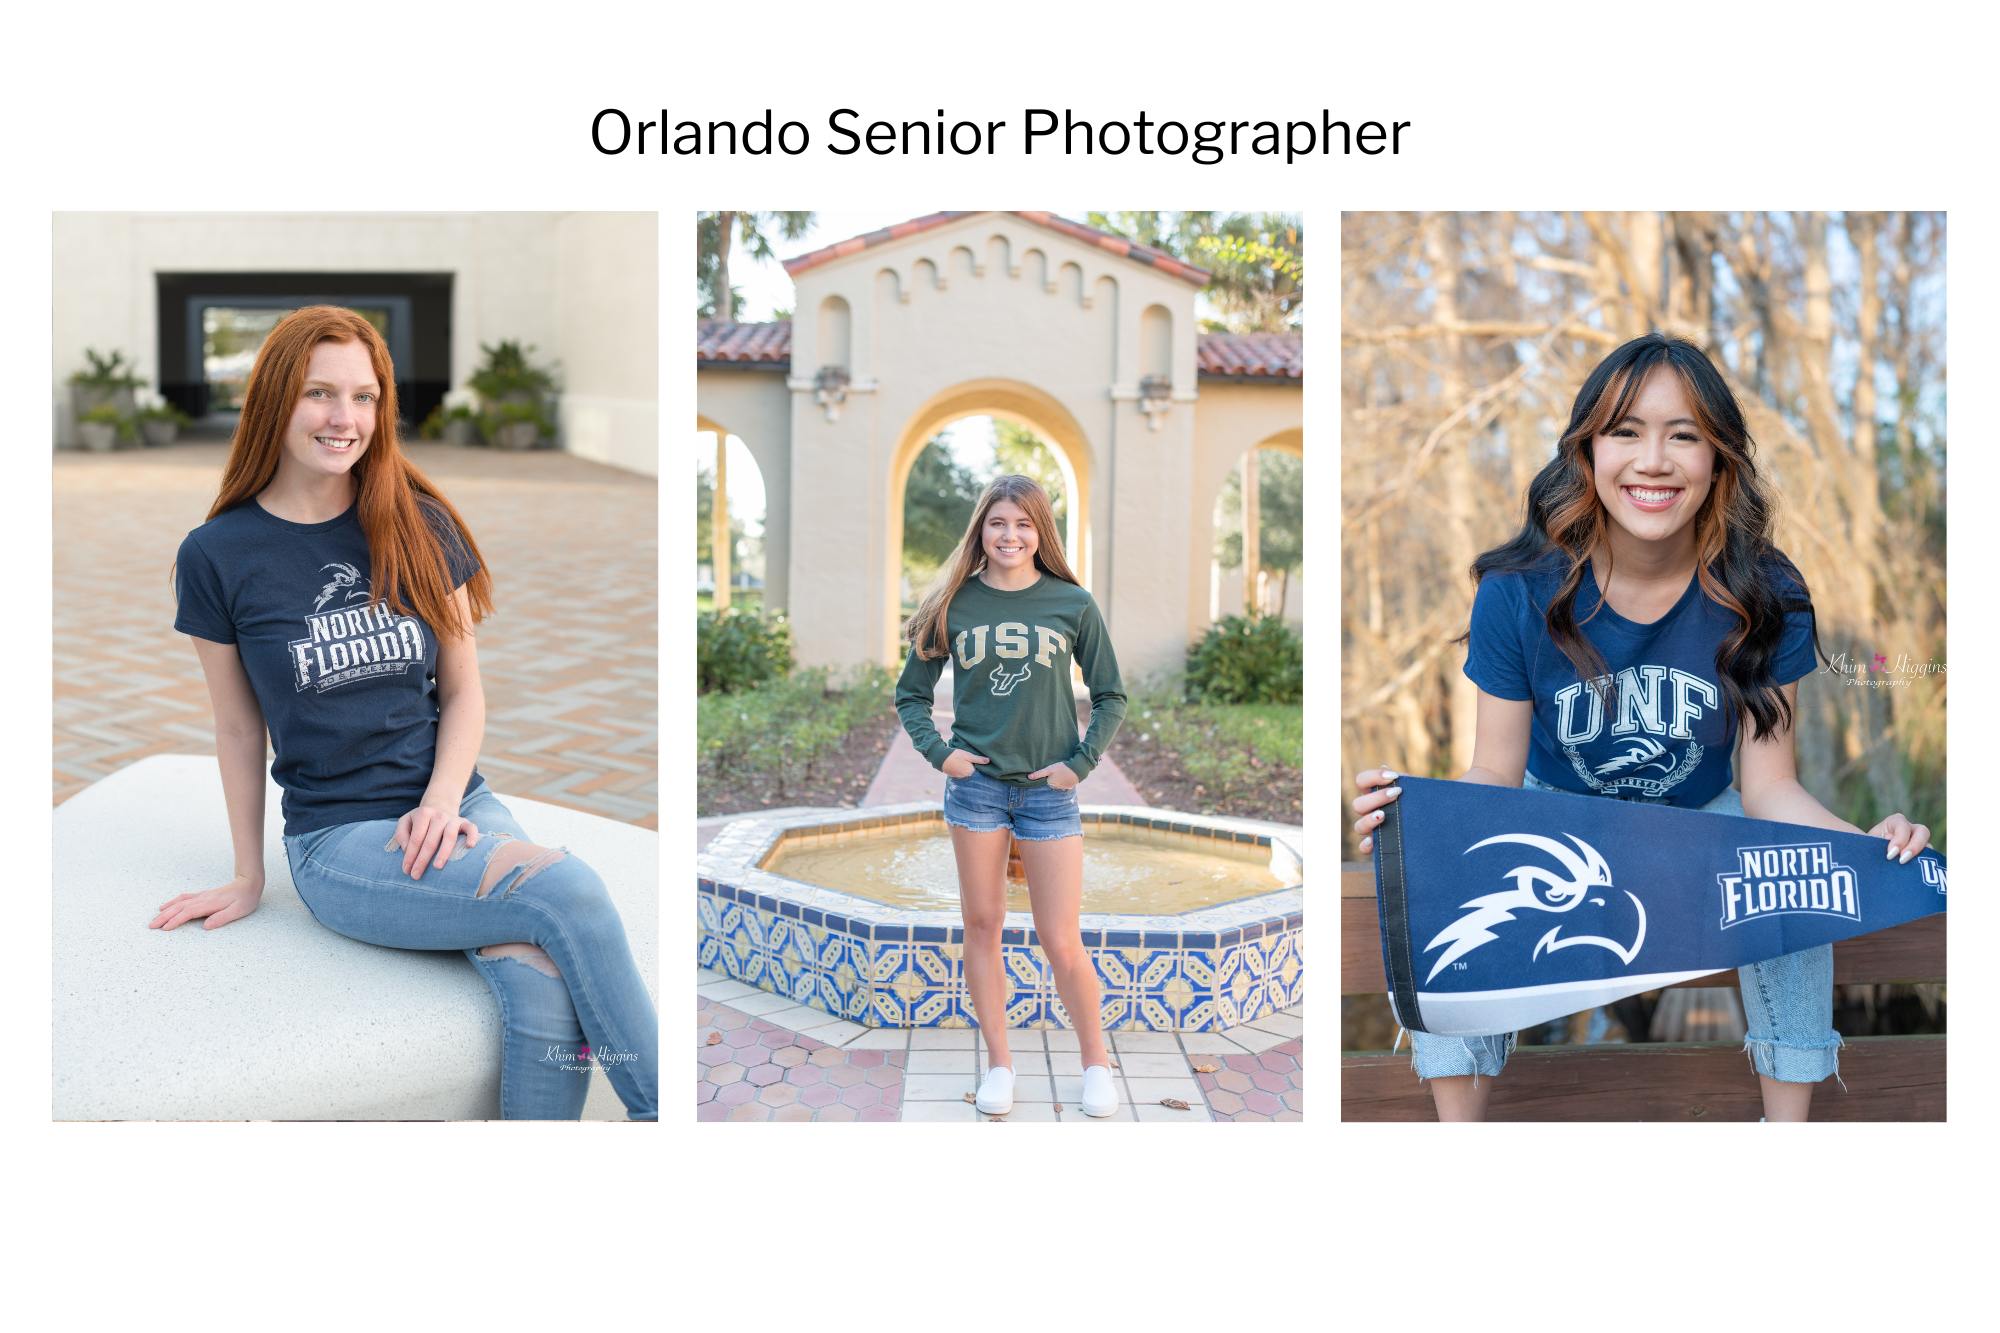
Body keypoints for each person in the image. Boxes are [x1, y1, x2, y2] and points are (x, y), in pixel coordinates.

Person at [1352, 332, 1931, 1122]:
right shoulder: (1519, 592)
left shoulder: (1767, 590)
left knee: (1795, 872)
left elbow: (1770, 787)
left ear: (1719, 459)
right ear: (1586, 452)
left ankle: (1787, 1135)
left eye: (1683, 435)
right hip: (1559, 811)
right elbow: (1494, 772)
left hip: (1702, 819)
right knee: (1458, 864)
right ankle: (1462, 1131)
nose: (1653, 460)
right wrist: (1420, 821)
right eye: (1626, 431)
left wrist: (1870, 848)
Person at [153, 305, 657, 1121]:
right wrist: (250, 874)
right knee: (573, 892)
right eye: (320, 393)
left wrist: (441, 799)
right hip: (341, 840)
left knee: (542, 978)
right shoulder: (216, 555)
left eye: (364, 395)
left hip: (454, 803)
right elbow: (239, 727)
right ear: (275, 400)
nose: (344, 418)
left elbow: (463, 690)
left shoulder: (418, 523)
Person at [895, 475, 1127, 1117]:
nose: (1010, 535)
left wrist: (1079, 764)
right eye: (999, 522)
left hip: (1048, 795)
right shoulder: (953, 604)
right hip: (977, 794)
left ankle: (1096, 1066)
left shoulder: (1071, 604)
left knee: (1060, 938)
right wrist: (942, 755)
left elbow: (1111, 694)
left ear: (1040, 533)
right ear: (981, 529)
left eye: (1024, 524)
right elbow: (910, 694)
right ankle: (999, 1064)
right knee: (984, 924)